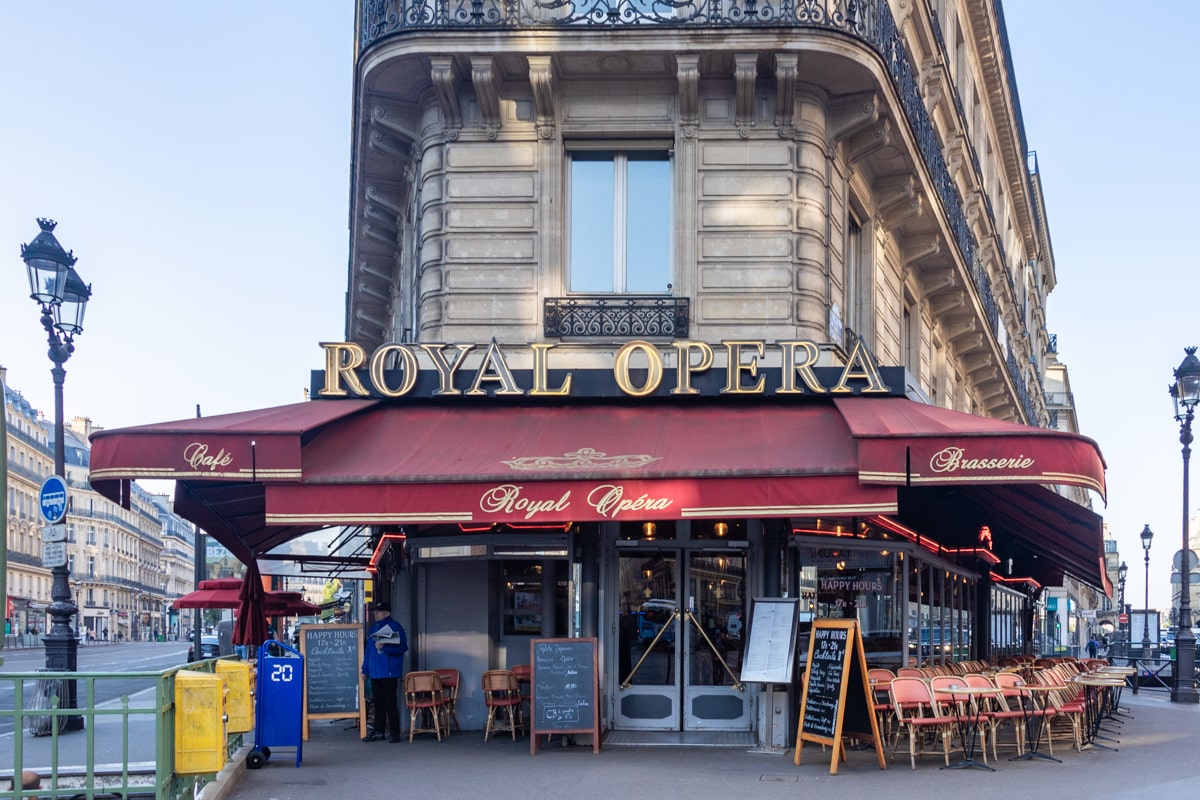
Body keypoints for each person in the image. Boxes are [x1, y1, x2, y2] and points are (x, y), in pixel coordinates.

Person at [361, 601, 408, 742]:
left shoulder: (395, 627)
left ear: (387, 612)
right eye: (375, 611)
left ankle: (395, 732)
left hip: (389, 672)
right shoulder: (374, 628)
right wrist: (365, 669)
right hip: (376, 672)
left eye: (379, 611)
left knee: (390, 702)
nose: (376, 613)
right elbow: (368, 651)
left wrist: (384, 647)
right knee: (378, 703)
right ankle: (378, 731)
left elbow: (402, 648)